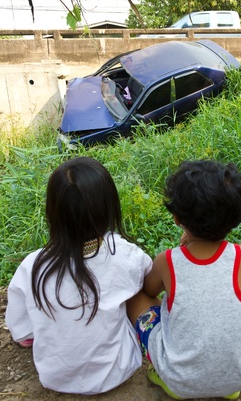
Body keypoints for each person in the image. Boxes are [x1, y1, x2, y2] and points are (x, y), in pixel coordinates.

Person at [5, 156, 155, 395]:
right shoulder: (126, 255)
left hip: (55, 377)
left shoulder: (32, 266)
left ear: (53, 212)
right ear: (109, 206)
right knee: (138, 292)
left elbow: (20, 330)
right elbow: (150, 283)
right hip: (118, 370)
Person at [127, 159, 241, 400]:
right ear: (237, 216)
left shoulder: (167, 261)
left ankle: (162, 372)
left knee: (136, 299)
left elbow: (148, 291)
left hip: (180, 383)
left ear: (178, 219)